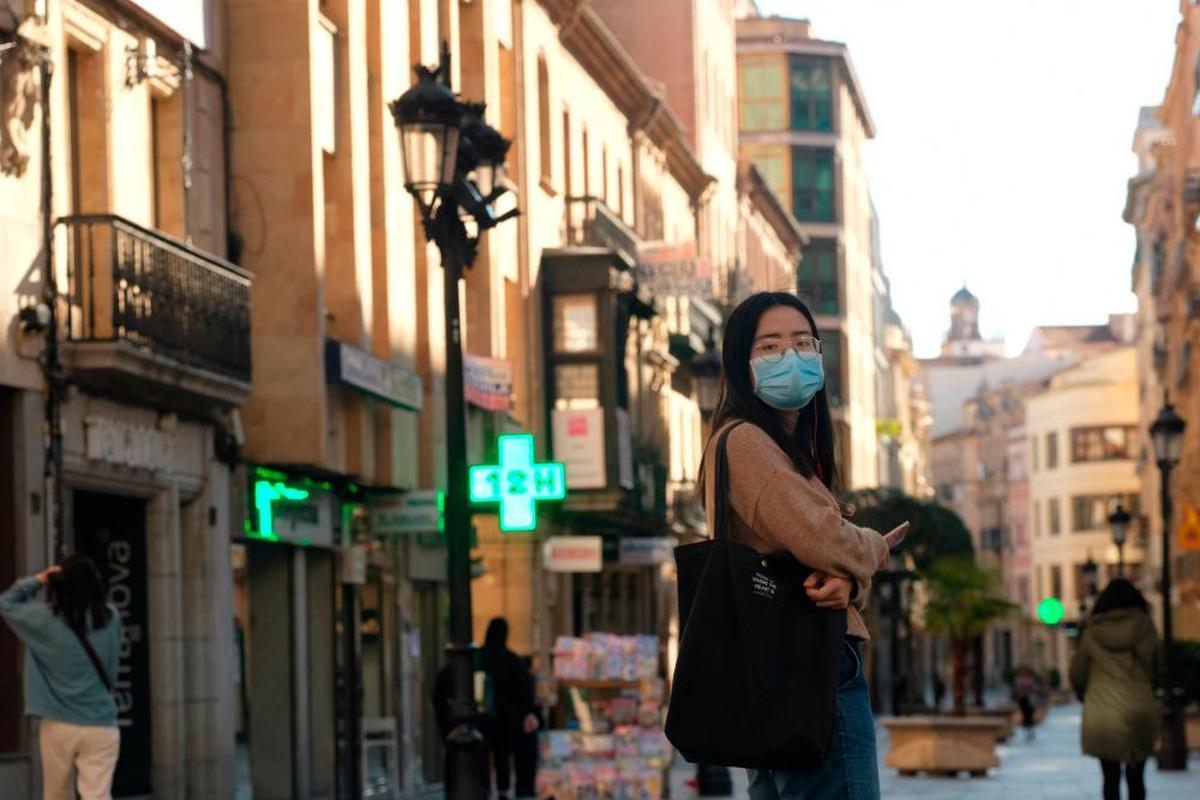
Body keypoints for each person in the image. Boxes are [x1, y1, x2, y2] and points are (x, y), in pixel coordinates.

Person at [698, 292, 907, 800]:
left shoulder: (781, 450)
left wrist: (848, 583)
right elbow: (826, 538)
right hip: (809, 668)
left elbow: (806, 553)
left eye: (802, 342)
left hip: (781, 669)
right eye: (769, 347)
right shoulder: (749, 443)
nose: (790, 357)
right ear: (739, 363)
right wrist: (874, 550)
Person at [0, 556, 122, 800]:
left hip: (59, 723)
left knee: (56, 795)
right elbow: (111, 670)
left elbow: (5, 603)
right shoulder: (110, 618)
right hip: (100, 721)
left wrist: (38, 579)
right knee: (98, 796)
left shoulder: (43, 621)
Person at [1069, 578, 1156, 800]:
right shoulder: (1145, 627)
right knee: (1137, 778)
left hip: (1103, 712)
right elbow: (1155, 664)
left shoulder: (1092, 632)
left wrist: (1084, 694)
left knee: (1110, 778)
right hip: (1138, 708)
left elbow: (1077, 671)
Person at [480, 618, 539, 799]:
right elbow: (524, 689)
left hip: (484, 715)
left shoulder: (480, 657)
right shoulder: (512, 660)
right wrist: (526, 712)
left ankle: (484, 787)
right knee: (502, 753)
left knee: (483, 753)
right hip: (507, 717)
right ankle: (503, 789)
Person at [1013, 666, 1040, 741]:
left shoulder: (1031, 680)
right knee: (1025, 717)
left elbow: (1036, 689)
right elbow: (1016, 690)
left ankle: (1030, 732)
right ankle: (1027, 732)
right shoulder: (1018, 680)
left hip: (1030, 701)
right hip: (1023, 701)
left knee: (1029, 717)